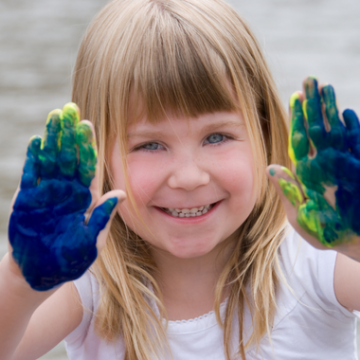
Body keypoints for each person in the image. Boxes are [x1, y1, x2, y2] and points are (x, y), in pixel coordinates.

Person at [1, 0, 360, 359]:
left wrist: (355, 244)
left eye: (216, 137)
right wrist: (20, 283)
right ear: (96, 157)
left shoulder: (315, 260)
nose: (189, 177)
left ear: (264, 135)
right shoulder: (87, 282)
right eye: (150, 144)